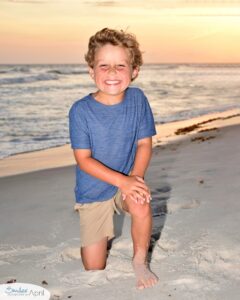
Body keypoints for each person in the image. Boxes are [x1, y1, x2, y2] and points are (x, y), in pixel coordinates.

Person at [69, 28, 158, 290]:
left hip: (126, 181)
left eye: (120, 66)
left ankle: (140, 261)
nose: (111, 73)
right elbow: (84, 160)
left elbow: (144, 143)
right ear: (91, 70)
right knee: (94, 267)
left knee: (140, 200)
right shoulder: (81, 111)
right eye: (103, 65)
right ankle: (102, 234)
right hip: (93, 190)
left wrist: (136, 179)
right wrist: (123, 181)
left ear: (134, 71)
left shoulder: (138, 99)